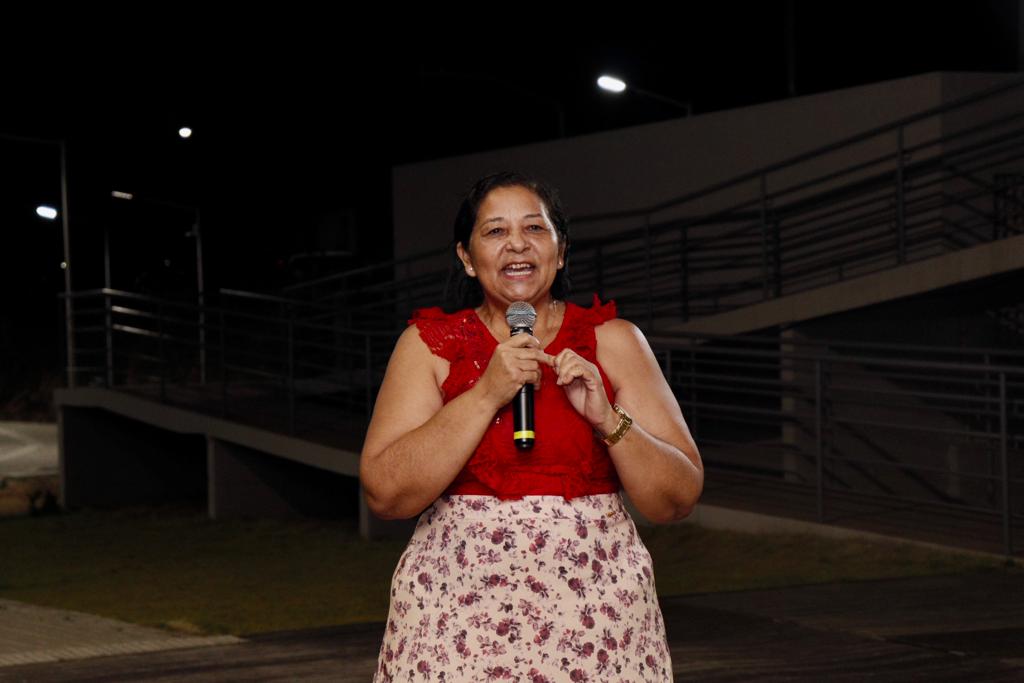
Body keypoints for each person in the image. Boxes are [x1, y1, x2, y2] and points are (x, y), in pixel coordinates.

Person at [360, 171, 703, 682]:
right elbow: (386, 494)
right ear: (466, 257)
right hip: (456, 625)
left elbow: (676, 500)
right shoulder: (429, 345)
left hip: (596, 626)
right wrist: (485, 394)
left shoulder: (614, 342)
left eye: (534, 229)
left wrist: (609, 420)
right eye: (494, 231)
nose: (516, 244)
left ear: (560, 251)